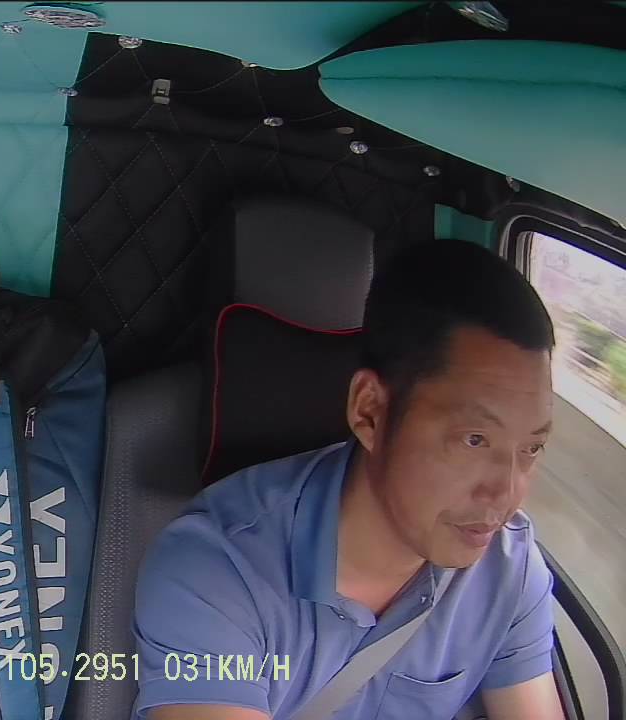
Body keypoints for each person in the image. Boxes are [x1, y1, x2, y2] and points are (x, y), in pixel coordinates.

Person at [134, 238, 563, 719]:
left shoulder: (509, 566)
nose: (505, 494)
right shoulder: (217, 571)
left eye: (531, 448)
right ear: (370, 411)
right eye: (474, 440)